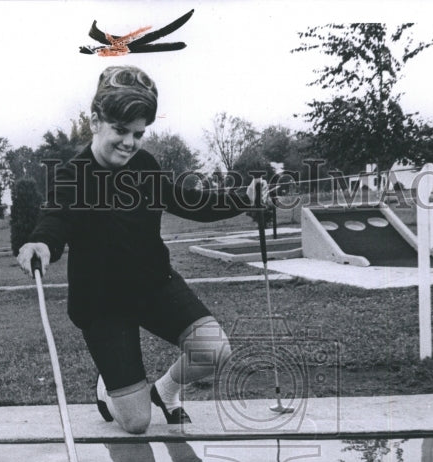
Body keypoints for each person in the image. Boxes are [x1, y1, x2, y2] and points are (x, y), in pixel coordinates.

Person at [17, 65, 269, 433]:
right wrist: (41, 243)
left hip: (155, 286)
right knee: (136, 423)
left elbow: (190, 202)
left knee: (214, 350)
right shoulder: (72, 175)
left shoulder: (145, 165)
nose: (129, 143)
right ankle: (108, 390)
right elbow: (55, 218)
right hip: (102, 304)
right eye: (120, 131)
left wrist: (243, 198)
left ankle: (165, 392)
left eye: (138, 133)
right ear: (95, 121)